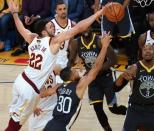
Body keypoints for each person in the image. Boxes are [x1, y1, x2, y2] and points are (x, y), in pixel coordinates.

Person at [5, 0, 107, 130]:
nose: (53, 27)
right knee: (15, 125)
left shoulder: (32, 38)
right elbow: (78, 28)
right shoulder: (53, 42)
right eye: (50, 27)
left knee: (15, 119)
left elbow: (20, 27)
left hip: (20, 81)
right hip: (29, 88)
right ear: (43, 32)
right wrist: (99, 12)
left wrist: (14, 13)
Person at [43, 32, 112, 131]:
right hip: (62, 127)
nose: (78, 71)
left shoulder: (59, 86)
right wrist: (104, 46)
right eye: (75, 71)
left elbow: (43, 93)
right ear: (71, 77)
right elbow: (96, 68)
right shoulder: (79, 86)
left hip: (50, 124)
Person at [69, 27, 127, 131]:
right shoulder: (75, 43)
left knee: (113, 109)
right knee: (97, 108)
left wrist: (97, 70)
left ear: (92, 28)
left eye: (88, 27)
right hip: (92, 80)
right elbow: (71, 59)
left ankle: (132, 113)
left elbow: (114, 59)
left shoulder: (100, 40)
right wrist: (67, 71)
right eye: (83, 28)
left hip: (106, 77)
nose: (85, 30)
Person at [121, 44, 154, 131]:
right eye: (145, 50)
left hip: (152, 109)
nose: (147, 51)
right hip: (135, 109)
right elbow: (124, 83)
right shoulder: (134, 68)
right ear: (141, 53)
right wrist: (125, 77)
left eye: (150, 49)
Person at [51, 0, 76, 83]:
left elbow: (71, 44)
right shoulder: (51, 25)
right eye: (60, 9)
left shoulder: (71, 24)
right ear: (56, 11)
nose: (63, 11)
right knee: (55, 86)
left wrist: (72, 60)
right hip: (53, 59)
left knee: (67, 86)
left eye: (64, 9)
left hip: (65, 59)